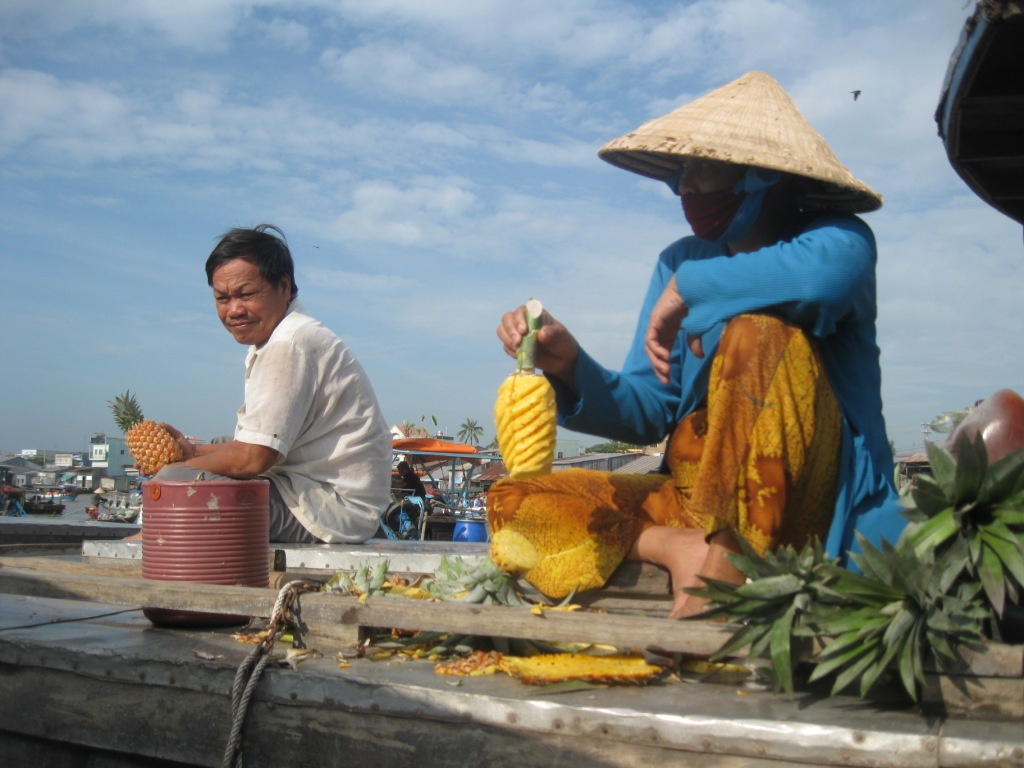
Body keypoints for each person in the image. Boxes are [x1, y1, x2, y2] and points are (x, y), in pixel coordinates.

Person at [490, 71, 907, 618]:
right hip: (689, 502)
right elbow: (651, 410)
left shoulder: (837, 239)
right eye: (682, 169)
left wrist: (690, 291)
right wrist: (570, 366)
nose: (686, 186)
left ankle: (729, 561)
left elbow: (824, 282)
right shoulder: (680, 258)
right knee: (512, 501)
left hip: (802, 501)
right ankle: (683, 548)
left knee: (757, 332)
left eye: (705, 167)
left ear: (762, 175)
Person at [154, 224, 392, 543]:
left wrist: (181, 462)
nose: (234, 310)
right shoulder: (285, 337)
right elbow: (250, 446)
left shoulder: (289, 343)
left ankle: (144, 541)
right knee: (219, 443)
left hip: (330, 510)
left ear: (284, 286)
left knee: (174, 480)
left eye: (246, 294)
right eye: (222, 298)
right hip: (311, 488)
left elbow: (254, 458)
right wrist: (191, 450)